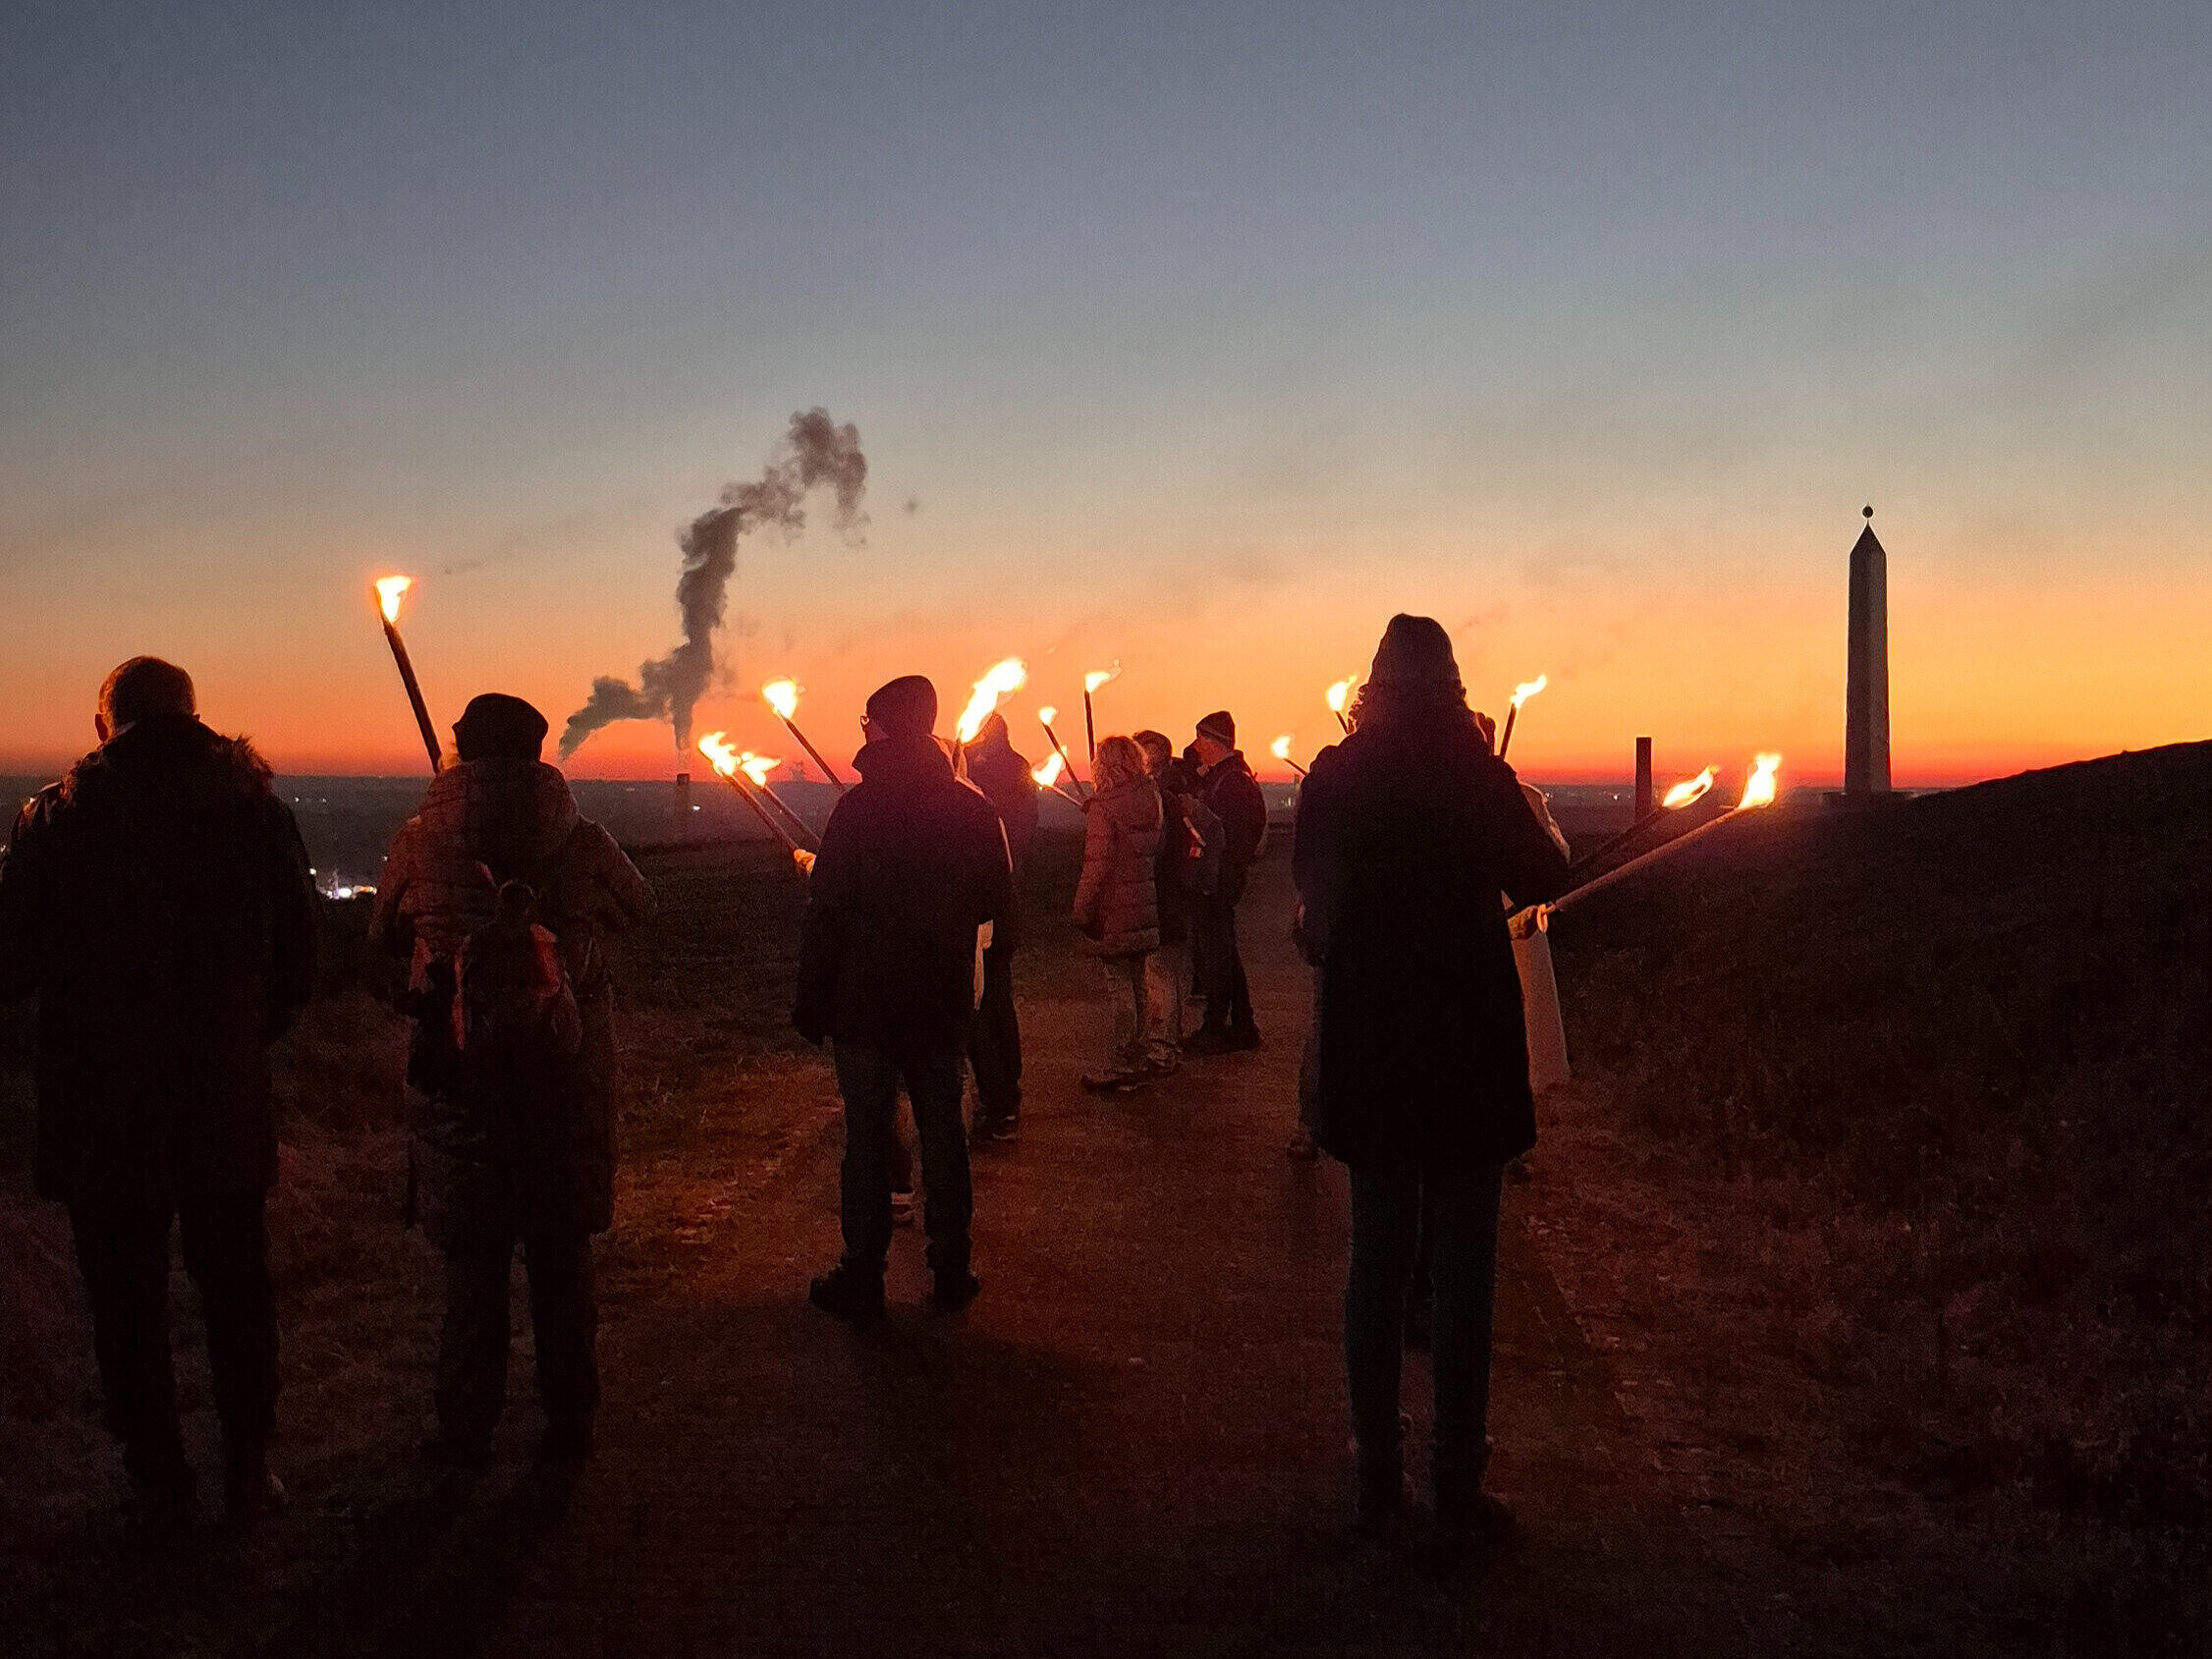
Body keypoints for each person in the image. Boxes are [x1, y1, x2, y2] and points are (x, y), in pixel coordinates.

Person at [0, 658, 317, 1530]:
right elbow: (300, 959)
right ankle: (248, 1465)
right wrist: (242, 1041)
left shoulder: (58, 817)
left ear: (105, 726)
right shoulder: (254, 808)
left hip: (101, 1107)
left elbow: (10, 964)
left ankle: (160, 1477)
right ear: (193, 716)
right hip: (219, 1097)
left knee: (126, 1300)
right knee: (235, 1285)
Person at [1292, 615, 1571, 1558]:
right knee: (1463, 1270)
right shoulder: (1478, 774)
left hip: (1374, 1040)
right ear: (1452, 683)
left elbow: (1317, 906)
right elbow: (1544, 874)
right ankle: (1456, 1476)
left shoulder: (1335, 776)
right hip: (1464, 1044)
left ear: (1374, 683)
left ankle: (1376, 1472)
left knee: (1376, 1257)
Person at [371, 693, 650, 1465]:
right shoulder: (584, 840)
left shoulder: (419, 839)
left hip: (459, 1080)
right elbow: (641, 906)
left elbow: (382, 931)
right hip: (564, 1076)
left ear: (460, 750)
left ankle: (466, 1427)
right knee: (561, 1258)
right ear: (538, 753)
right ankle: (569, 1418)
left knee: (473, 1264)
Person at [797, 676, 1013, 1319]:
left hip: (866, 1003)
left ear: (886, 725)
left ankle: (863, 1274)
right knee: (943, 1132)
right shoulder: (972, 808)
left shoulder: (857, 811)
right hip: (939, 997)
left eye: (868, 720)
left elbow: (826, 911)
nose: (864, 730)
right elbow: (995, 899)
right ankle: (951, 1268)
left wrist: (813, 999)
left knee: (867, 1138)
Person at [960, 711, 1038, 1141]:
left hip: (985, 914)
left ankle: (999, 1099)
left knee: (984, 1007)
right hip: (1002, 902)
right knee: (997, 1002)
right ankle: (1005, 1094)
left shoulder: (981, 793)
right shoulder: (1011, 769)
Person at [1073, 736, 1164, 1091]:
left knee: (1120, 986)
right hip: (1145, 904)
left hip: (1114, 910)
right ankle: (1139, 1055)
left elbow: (1096, 865)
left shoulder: (1105, 808)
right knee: (1138, 984)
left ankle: (1124, 1061)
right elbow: (1155, 847)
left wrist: (1082, 910)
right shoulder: (1152, 798)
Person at [1185, 711, 1267, 1053]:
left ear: (1214, 742)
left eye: (1200, 739)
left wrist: (1216, 875)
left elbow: (1232, 838)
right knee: (1224, 953)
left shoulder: (1233, 783)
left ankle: (1216, 1027)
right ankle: (1243, 1025)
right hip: (1218, 877)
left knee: (1217, 955)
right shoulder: (1227, 778)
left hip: (1217, 879)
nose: (1195, 747)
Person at [1133, 731, 1211, 1074]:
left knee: (1160, 972)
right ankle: (1170, 1043)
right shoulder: (1177, 792)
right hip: (1177, 895)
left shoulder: (1162, 799)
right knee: (1173, 972)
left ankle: (1162, 1049)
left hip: (1164, 895)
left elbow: (1155, 849)